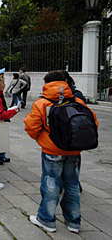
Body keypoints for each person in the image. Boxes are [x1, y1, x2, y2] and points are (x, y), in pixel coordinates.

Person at [25, 71, 97, 234]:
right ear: (65, 81)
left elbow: (31, 127)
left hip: (52, 150)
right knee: (72, 183)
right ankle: (73, 221)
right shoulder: (77, 100)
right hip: (74, 150)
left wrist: (43, 139)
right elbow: (92, 122)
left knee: (51, 182)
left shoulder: (42, 102)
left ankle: (47, 219)